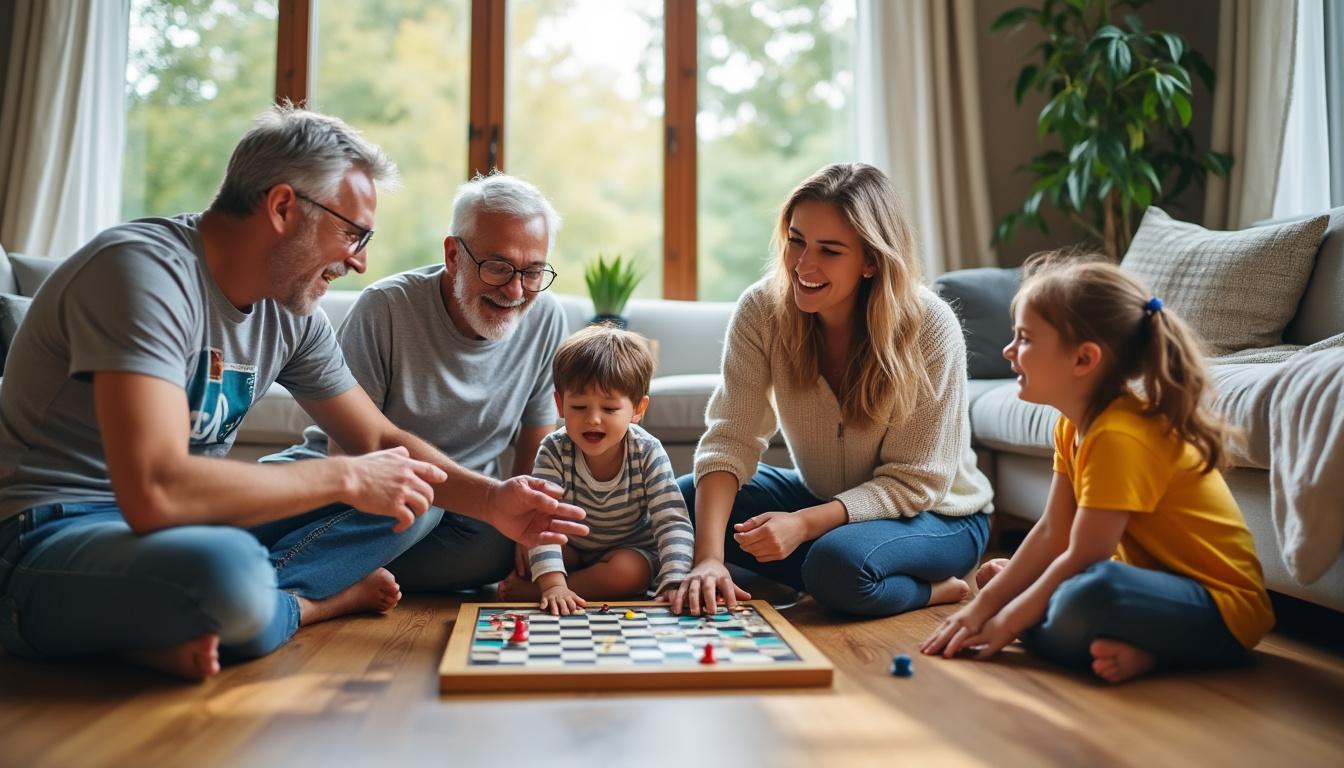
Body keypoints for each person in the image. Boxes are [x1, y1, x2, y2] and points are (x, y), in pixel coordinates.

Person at [0, 105, 585, 681]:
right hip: (48, 532)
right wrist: (349, 478)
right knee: (227, 574)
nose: (359, 261)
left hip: (181, 529)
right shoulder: (141, 272)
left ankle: (199, 623)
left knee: (412, 493)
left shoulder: (290, 310)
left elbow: (379, 437)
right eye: (353, 233)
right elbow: (154, 489)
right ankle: (307, 605)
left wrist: (492, 501)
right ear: (283, 207)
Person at [922, 256, 1274, 683]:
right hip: (1149, 587)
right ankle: (1121, 644)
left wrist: (1006, 620)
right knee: (1023, 581)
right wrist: (986, 604)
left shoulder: (1120, 435)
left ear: (1083, 360)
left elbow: (1087, 555)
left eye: (1025, 339)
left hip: (1222, 610)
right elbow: (1053, 530)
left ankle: (1134, 647)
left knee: (1093, 592)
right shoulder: (1072, 425)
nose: (1008, 351)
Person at [672, 163, 993, 616]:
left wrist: (802, 525)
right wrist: (708, 557)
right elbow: (731, 438)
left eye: (830, 250)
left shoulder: (929, 327)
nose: (804, 265)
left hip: (935, 515)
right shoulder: (761, 310)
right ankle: (842, 577)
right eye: (797, 240)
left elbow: (914, 483)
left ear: (871, 261)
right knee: (680, 503)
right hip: (823, 502)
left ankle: (929, 588)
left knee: (835, 563)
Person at [277, 172, 569, 592]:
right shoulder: (385, 308)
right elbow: (351, 450)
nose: (516, 290)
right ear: (453, 255)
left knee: (496, 545)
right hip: (362, 497)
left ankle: (339, 574)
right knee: (420, 497)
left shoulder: (545, 318)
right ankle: (300, 581)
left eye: (533, 272)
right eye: (498, 267)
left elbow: (535, 442)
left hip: (467, 511)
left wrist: (528, 521)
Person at [499, 325, 695, 615]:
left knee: (629, 572)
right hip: (572, 548)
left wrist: (674, 581)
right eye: (578, 407)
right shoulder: (554, 450)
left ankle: (544, 591)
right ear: (560, 404)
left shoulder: (647, 451)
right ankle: (555, 587)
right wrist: (553, 584)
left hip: (626, 551)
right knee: (531, 544)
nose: (592, 419)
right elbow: (543, 522)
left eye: (609, 409)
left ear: (638, 409)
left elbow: (672, 521)